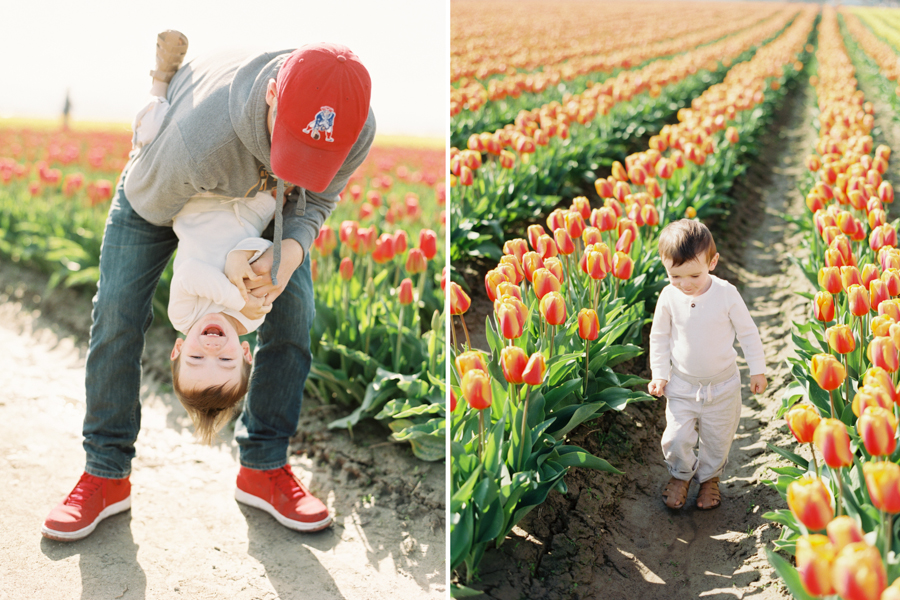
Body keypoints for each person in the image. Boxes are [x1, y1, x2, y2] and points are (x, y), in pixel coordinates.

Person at [41, 34, 375, 541]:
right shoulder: (202, 141)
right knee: (116, 312)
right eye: (293, 143)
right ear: (270, 97)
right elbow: (153, 209)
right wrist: (226, 267)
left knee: (294, 311)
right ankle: (105, 474)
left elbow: (317, 200)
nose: (298, 163)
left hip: (262, 206)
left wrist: (287, 255)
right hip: (164, 190)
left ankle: (262, 468)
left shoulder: (357, 128)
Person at [647, 219, 767, 511]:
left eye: (694, 275)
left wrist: (757, 369)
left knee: (716, 439)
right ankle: (680, 475)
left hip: (722, 385)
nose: (685, 284)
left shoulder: (726, 294)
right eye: (675, 276)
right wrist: (660, 374)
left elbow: (747, 332)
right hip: (682, 384)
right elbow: (659, 337)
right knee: (676, 438)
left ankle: (709, 479)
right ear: (665, 267)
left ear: (712, 262)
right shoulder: (668, 297)